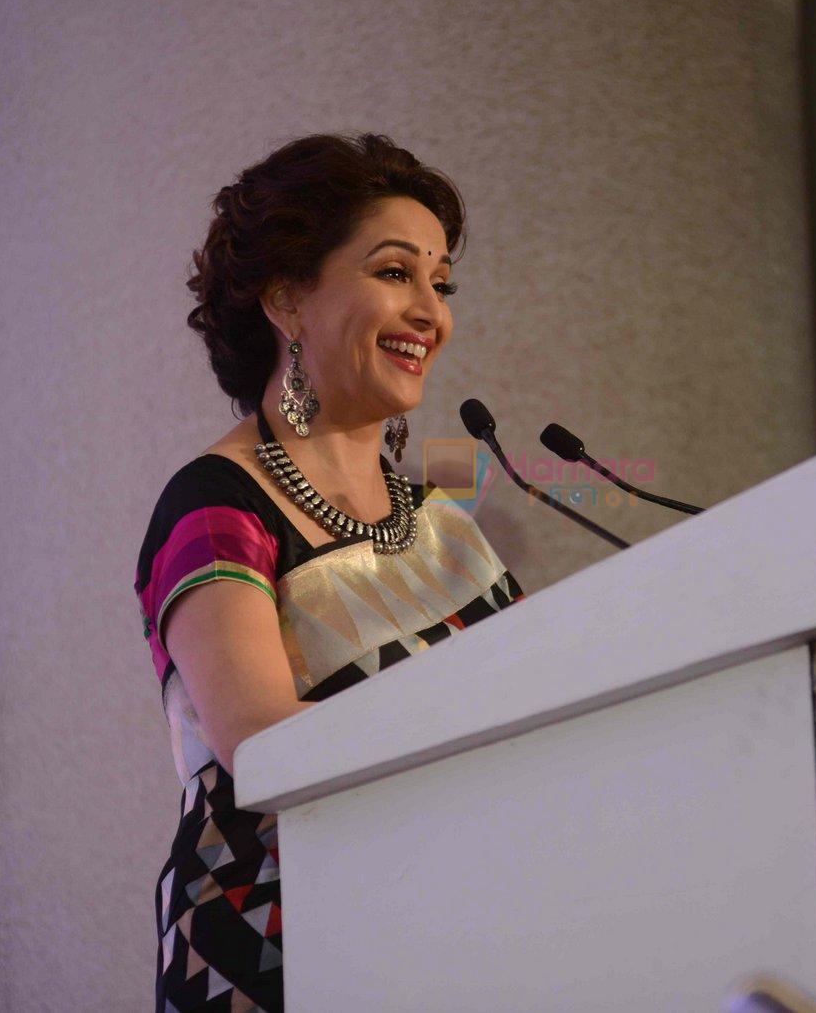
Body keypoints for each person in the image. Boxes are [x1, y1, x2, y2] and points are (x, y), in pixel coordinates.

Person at [133, 133, 525, 1011]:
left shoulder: (443, 523)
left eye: (443, 282)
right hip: (276, 941)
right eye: (396, 272)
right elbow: (263, 739)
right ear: (285, 298)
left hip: (460, 931)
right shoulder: (214, 504)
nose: (433, 311)